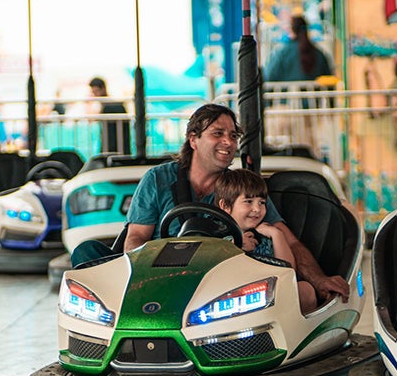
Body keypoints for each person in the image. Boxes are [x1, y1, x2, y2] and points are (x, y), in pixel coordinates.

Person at [74, 103, 349, 302]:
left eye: (233, 136)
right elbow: (135, 238)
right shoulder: (158, 179)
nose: (228, 143)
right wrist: (144, 276)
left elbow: (288, 239)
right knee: (86, 253)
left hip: (213, 283)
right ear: (193, 139)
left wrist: (319, 279)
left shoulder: (239, 187)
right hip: (157, 275)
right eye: (218, 134)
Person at [216, 168, 319, 314]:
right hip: (230, 302)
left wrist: (277, 235)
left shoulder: (264, 236)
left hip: (269, 298)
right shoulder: (216, 236)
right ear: (225, 206)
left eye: (262, 202)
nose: (257, 209)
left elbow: (289, 270)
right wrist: (236, 246)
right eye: (248, 201)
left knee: (305, 291)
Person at [264, 15, 333, 84]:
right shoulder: (319, 54)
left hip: (286, 94)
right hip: (315, 94)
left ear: (291, 30)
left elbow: (269, 76)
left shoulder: (281, 53)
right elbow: (329, 77)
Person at [89, 76, 131, 155]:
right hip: (118, 147)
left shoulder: (109, 107)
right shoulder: (110, 105)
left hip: (112, 146)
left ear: (103, 88)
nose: (95, 95)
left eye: (96, 91)